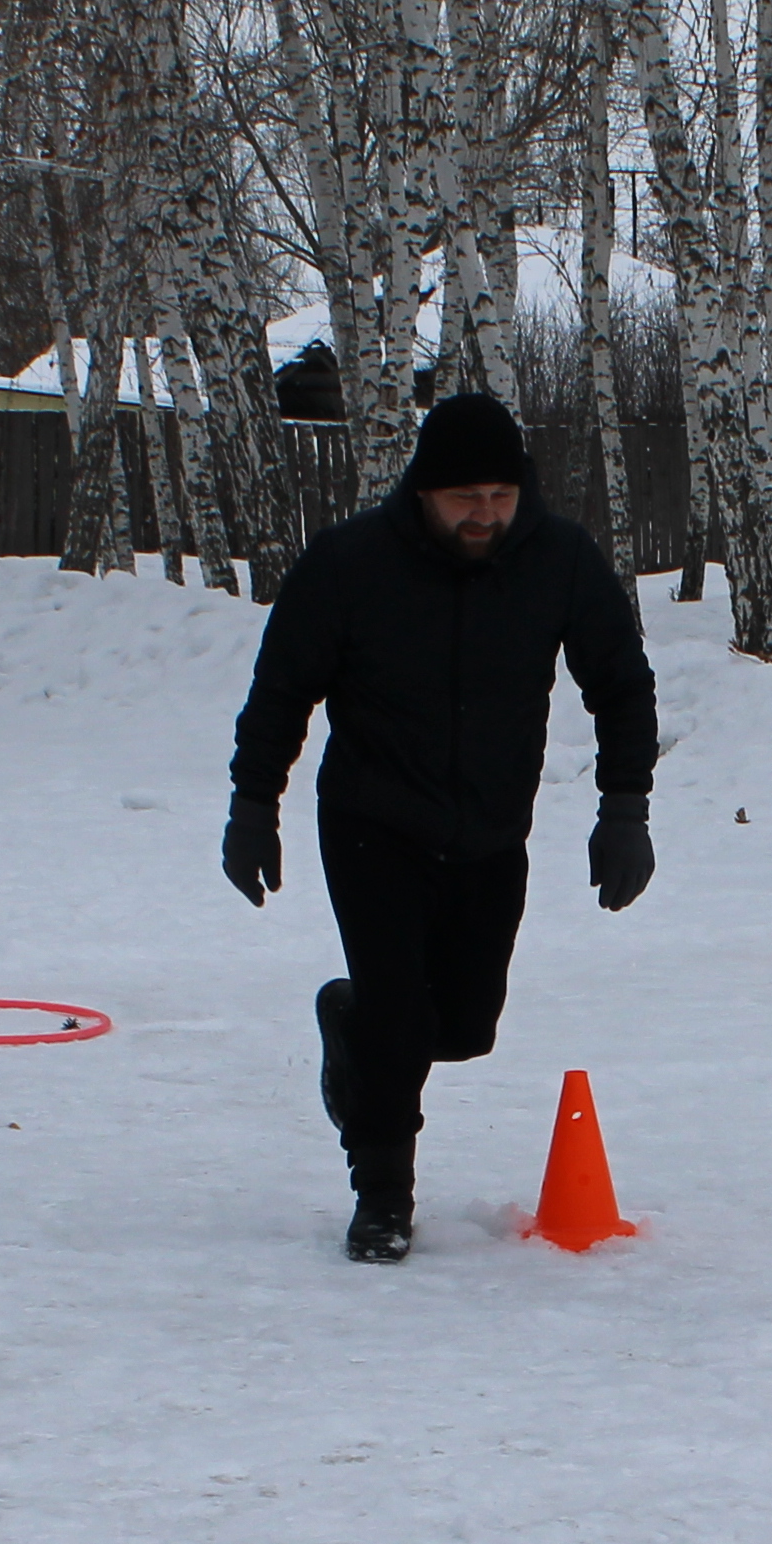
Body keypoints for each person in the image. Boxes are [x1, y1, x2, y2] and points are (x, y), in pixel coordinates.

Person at [223, 390, 661, 1261]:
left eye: (501, 497)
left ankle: (347, 1027)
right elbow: (281, 692)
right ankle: (383, 1195)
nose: (485, 516)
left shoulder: (559, 561)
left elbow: (622, 684)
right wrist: (252, 806)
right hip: (371, 824)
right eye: (466, 499)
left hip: (491, 832)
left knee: (464, 1026)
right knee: (400, 1017)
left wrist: (625, 811)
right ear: (424, 491)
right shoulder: (350, 565)